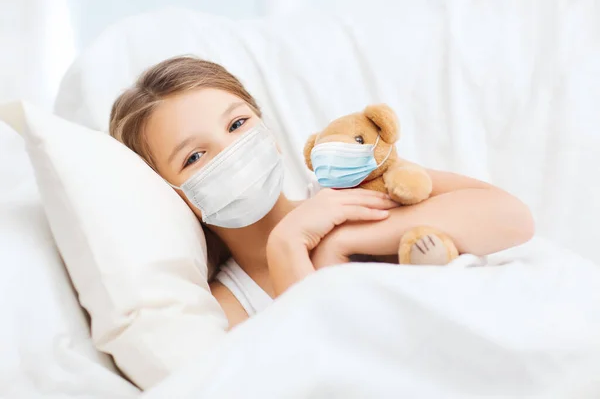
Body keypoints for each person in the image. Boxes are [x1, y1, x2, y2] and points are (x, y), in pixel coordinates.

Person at [109, 56, 535, 329]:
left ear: (267, 129)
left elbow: (513, 219)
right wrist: (288, 248)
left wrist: (345, 239)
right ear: (170, 195)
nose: (232, 150)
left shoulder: (350, 189)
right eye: (195, 156)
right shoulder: (227, 307)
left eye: (238, 124)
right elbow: (324, 367)